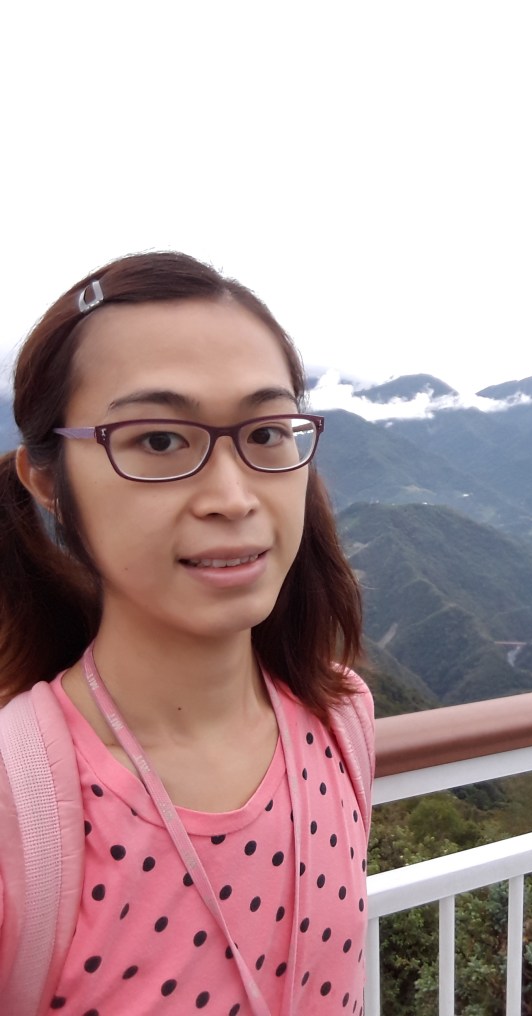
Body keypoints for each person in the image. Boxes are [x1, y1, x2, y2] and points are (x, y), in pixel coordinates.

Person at [0, 252, 374, 1016]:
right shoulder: (18, 804)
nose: (232, 497)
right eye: (160, 442)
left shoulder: (340, 716)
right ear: (47, 482)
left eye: (265, 432)